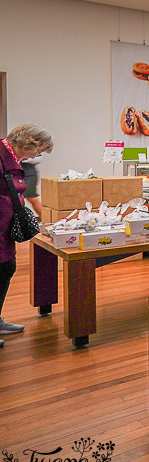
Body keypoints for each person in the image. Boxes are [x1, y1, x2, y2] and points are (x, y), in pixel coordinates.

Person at [0, 124, 54, 346]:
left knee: (6, 268)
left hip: (5, 227)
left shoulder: (11, 157)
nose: (36, 156)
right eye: (38, 151)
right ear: (29, 144)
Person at [20, 153, 43, 218]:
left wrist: (22, 157)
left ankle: (47, 220)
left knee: (31, 197)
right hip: (15, 170)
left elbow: (38, 159)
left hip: (28, 171)